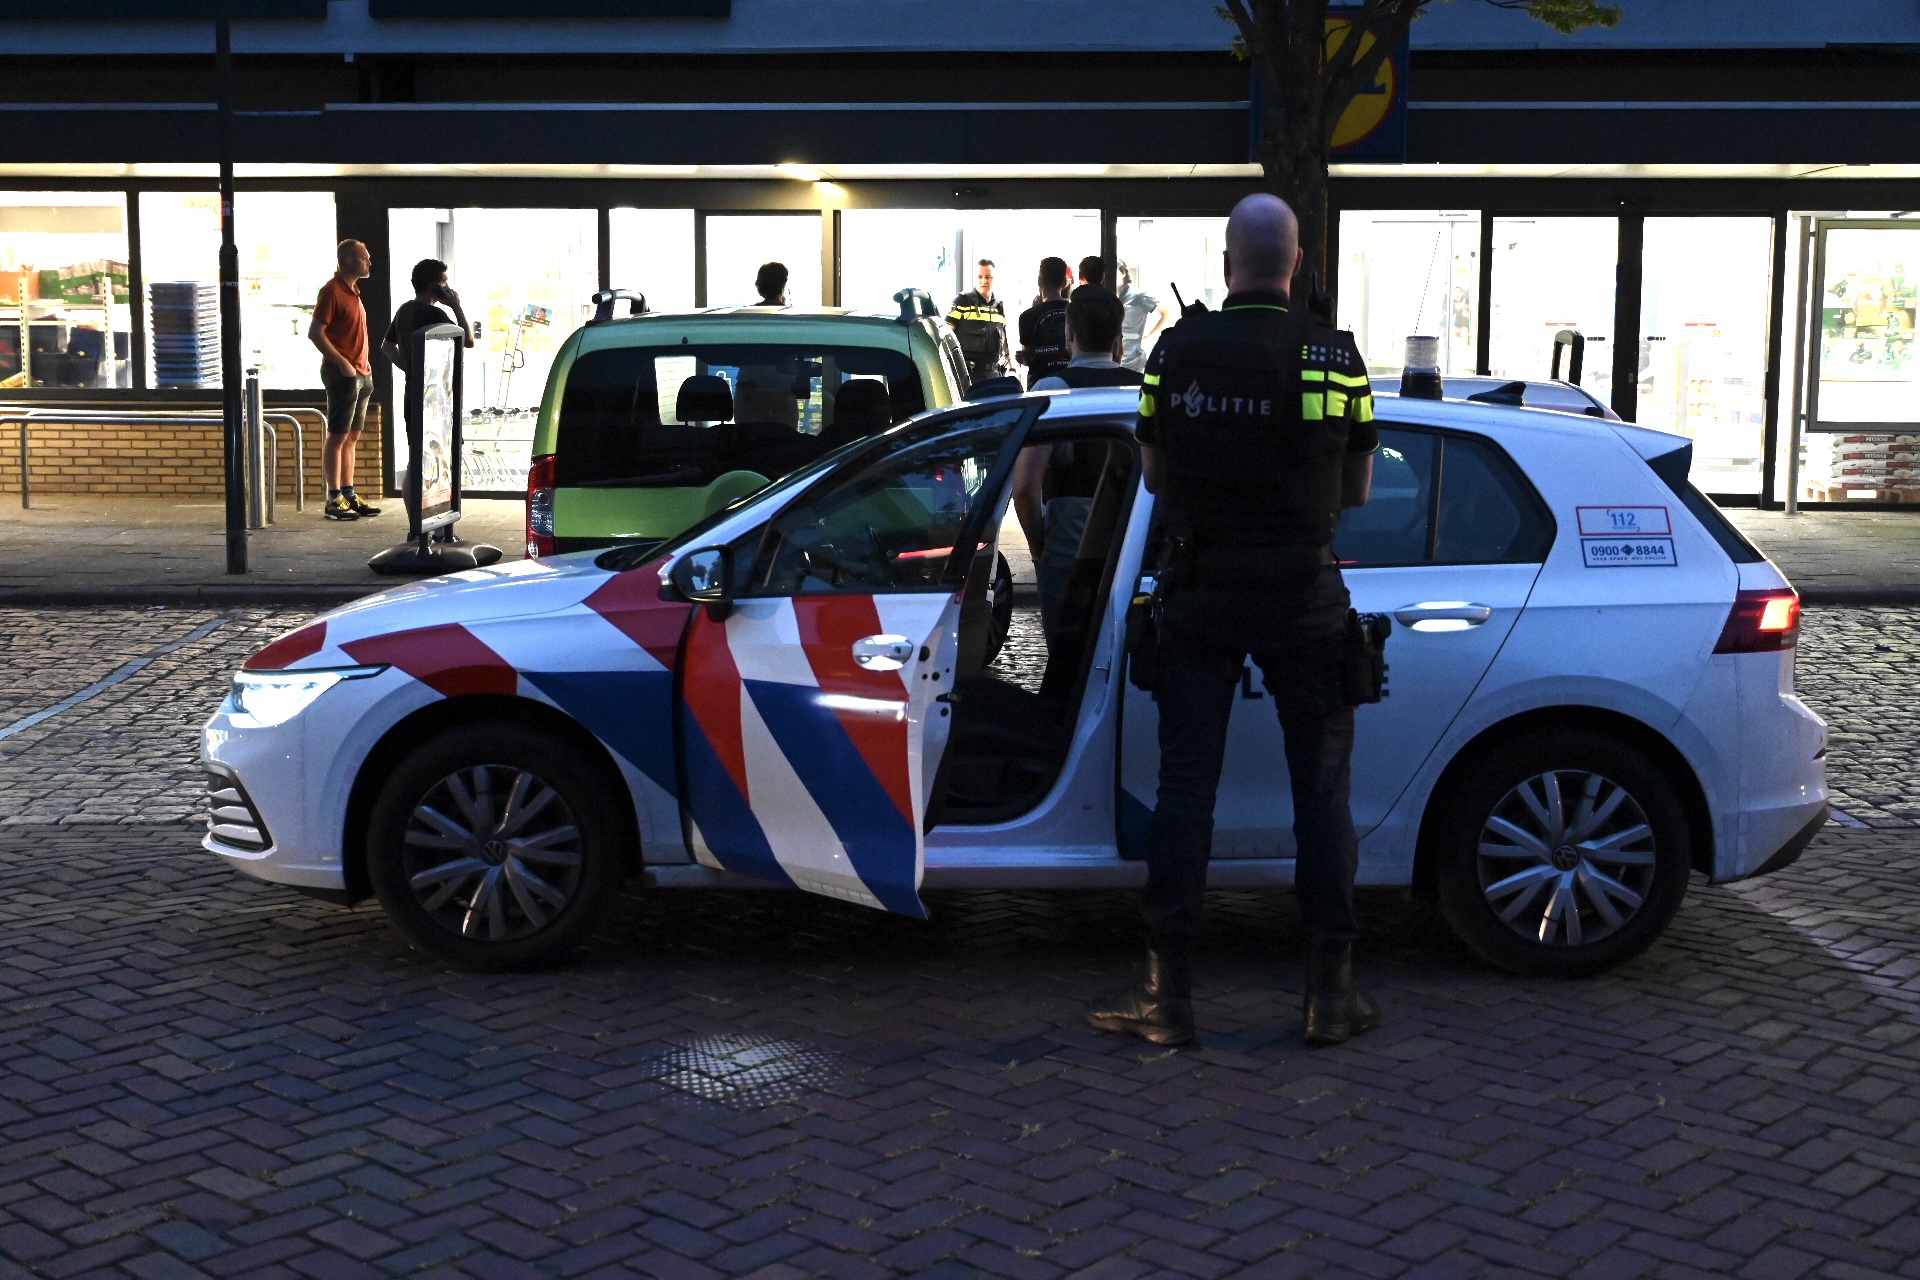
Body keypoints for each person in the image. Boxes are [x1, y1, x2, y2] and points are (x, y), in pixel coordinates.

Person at [1085, 194, 1379, 1050]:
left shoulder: (1174, 353)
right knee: (1321, 795)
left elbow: (1153, 476)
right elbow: (1356, 491)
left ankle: (1167, 999)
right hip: (1305, 596)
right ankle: (1330, 996)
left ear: (1226, 262)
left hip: (1202, 590)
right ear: (1296, 262)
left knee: (1185, 794)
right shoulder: (1336, 356)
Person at [1014, 284, 1141, 651]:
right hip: (1128, 552)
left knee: (1066, 666)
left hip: (1068, 555)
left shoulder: (1052, 390)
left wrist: (1041, 548)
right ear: (1119, 336)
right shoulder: (1144, 390)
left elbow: (1025, 490)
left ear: (1069, 332)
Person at [381, 258, 475, 524]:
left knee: (416, 456)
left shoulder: (404, 310)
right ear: (435, 285)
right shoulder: (434, 314)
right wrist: (456, 305)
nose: (448, 287)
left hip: (414, 395)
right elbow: (467, 339)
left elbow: (386, 347)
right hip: (436, 401)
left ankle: (417, 524)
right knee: (434, 456)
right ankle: (422, 523)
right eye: (445, 282)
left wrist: (412, 371)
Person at [310, 238, 380, 521]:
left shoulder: (354, 291)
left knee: (352, 436)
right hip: (344, 374)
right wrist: (342, 364)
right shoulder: (331, 291)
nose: (369, 262)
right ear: (350, 260)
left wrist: (363, 367)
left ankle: (349, 493)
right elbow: (316, 332)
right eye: (365, 258)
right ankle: (333, 498)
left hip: (362, 373)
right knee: (337, 435)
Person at [948, 259, 1010, 384]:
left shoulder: (999, 307)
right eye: (979, 277)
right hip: (968, 376)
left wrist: (1011, 367)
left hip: (994, 375)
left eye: (988, 277)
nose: (984, 281)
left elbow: (1003, 339)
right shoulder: (962, 301)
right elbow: (946, 335)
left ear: (994, 279)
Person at [1015, 257, 1071, 387]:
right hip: (1071, 384)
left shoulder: (1027, 317)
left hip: (1039, 387)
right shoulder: (1077, 312)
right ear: (1064, 283)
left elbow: (1029, 357)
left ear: (1039, 281)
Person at [1115, 260, 1173, 372]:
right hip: (1112, 360)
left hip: (1133, 362)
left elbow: (1167, 312)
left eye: (1113, 271)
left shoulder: (1138, 296)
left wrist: (1148, 338)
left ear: (1123, 273)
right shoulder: (1108, 296)